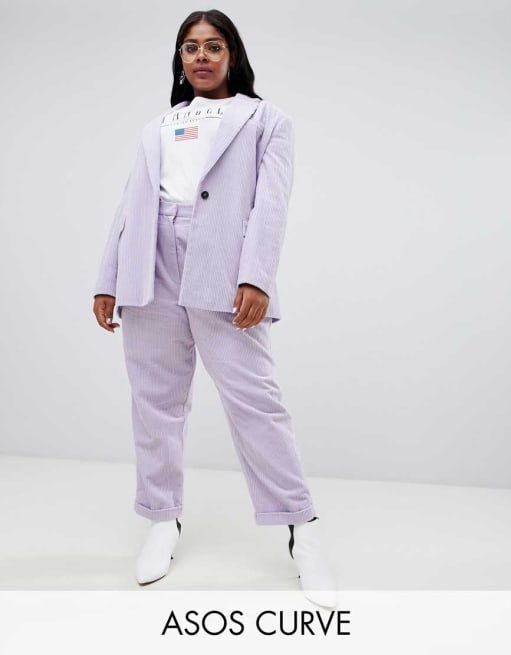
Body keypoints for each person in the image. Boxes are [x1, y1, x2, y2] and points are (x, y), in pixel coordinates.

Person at [92, 9, 337, 607]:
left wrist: (256, 277)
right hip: (149, 263)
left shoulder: (265, 120)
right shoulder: (158, 126)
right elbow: (131, 204)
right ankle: (161, 518)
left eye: (213, 46)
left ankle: (301, 528)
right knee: (154, 402)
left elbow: (271, 204)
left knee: (256, 402)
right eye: (190, 47)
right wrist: (108, 278)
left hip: (222, 266)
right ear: (180, 59)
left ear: (232, 55)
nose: (201, 56)